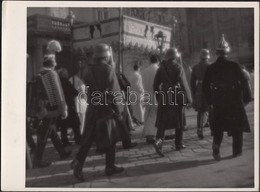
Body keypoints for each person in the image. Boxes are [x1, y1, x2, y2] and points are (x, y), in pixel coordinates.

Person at [71, 43, 124, 181]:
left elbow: (88, 91)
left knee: (87, 139)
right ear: (106, 56)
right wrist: (119, 110)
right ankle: (109, 166)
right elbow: (114, 92)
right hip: (106, 110)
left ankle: (78, 162)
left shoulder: (88, 70)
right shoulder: (108, 70)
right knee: (110, 137)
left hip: (92, 109)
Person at [203, 34, 252, 161]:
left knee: (218, 126)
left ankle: (216, 145)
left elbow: (205, 86)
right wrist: (247, 98)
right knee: (237, 126)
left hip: (218, 100)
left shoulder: (211, 68)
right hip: (234, 100)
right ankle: (237, 151)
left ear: (217, 53)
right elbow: (244, 82)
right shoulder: (234, 65)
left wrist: (210, 101)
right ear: (227, 52)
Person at [30, 55, 71, 168]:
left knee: (51, 131)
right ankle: (37, 160)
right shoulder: (52, 74)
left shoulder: (39, 74)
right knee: (44, 133)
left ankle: (62, 153)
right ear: (53, 63)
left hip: (42, 108)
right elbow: (58, 93)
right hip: (51, 110)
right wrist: (63, 109)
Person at [153, 47, 192, 156]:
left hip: (164, 96)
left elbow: (155, 86)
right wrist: (188, 100)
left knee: (162, 122)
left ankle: (158, 142)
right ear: (175, 56)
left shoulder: (160, 69)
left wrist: (159, 97)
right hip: (175, 95)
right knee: (179, 120)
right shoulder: (177, 67)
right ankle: (178, 143)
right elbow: (183, 84)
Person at [56, 68, 81, 146]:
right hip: (69, 105)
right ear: (63, 74)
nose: (67, 74)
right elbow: (74, 92)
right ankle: (78, 139)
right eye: (66, 73)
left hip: (61, 105)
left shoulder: (58, 82)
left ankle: (65, 141)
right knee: (75, 123)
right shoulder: (66, 82)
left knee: (64, 125)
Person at [190, 49, 211, 139]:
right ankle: (213, 129)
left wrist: (194, 93)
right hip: (209, 89)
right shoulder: (210, 66)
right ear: (207, 57)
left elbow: (192, 82)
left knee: (200, 111)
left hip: (199, 89)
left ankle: (199, 129)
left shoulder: (195, 67)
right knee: (211, 109)